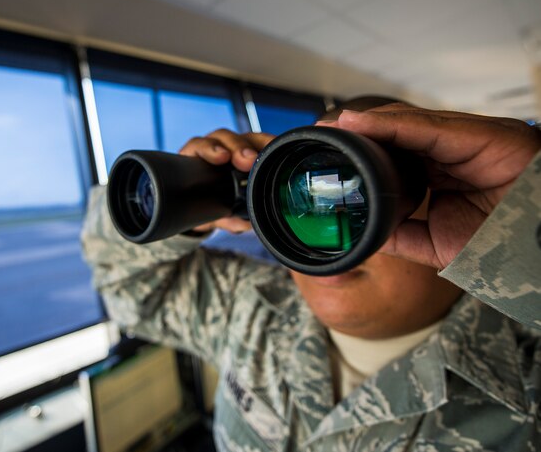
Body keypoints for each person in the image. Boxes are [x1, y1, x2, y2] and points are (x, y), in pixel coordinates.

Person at [81, 99, 541, 451]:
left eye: (353, 203)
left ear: (453, 204)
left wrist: (526, 231)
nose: (322, 243)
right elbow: (125, 286)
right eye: (301, 203)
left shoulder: (527, 373)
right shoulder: (254, 307)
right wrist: (200, 202)